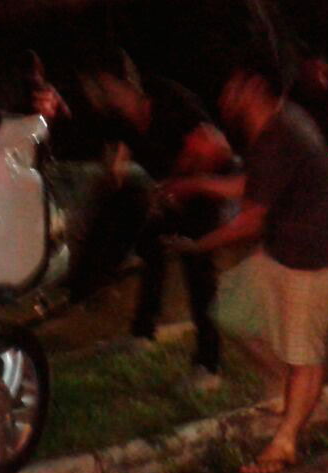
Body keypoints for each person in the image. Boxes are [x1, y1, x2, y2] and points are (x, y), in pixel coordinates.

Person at [163, 57, 328, 473]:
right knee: (233, 311)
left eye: (232, 84)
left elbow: (250, 219)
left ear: (252, 87)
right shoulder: (272, 125)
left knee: (304, 351)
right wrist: (194, 184)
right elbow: (252, 186)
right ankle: (291, 395)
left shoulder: (281, 131)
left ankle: (285, 441)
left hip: (314, 254)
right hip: (284, 247)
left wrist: (198, 245)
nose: (224, 94)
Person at [76, 62, 234, 390]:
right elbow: (125, 142)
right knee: (152, 248)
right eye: (96, 91)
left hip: (204, 188)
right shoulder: (119, 118)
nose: (101, 96)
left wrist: (184, 180)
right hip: (171, 191)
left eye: (106, 88)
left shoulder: (168, 97)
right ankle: (143, 334)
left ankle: (209, 366)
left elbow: (217, 146)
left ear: (129, 83)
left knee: (198, 272)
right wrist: (118, 164)